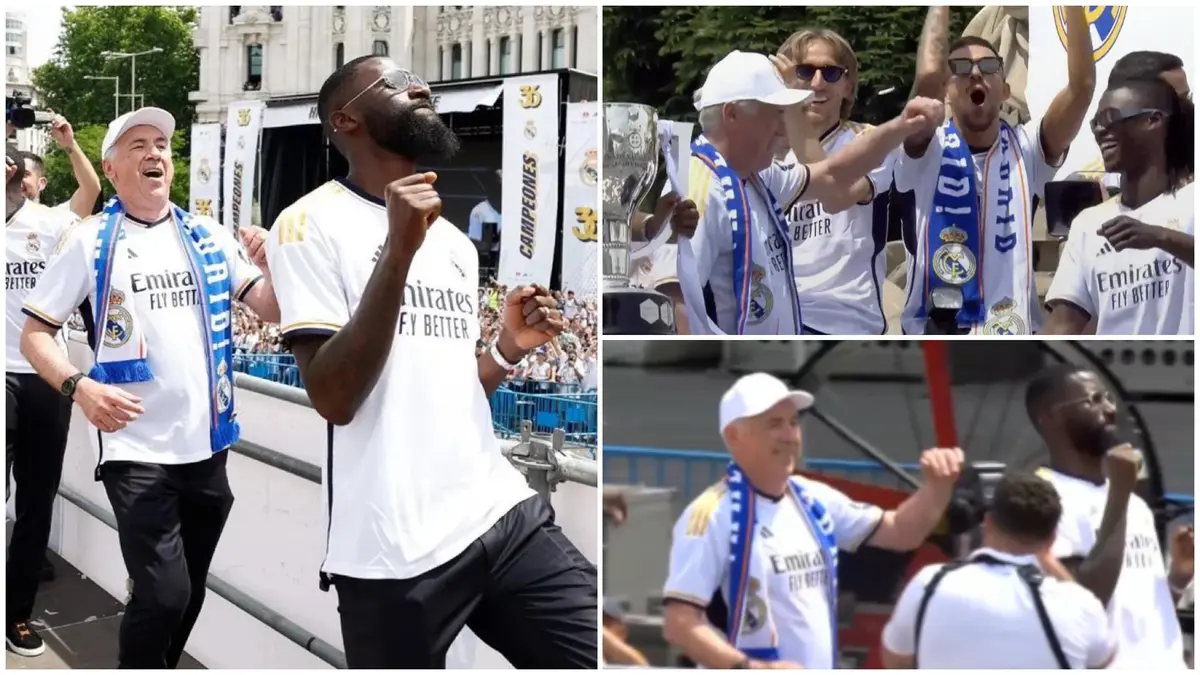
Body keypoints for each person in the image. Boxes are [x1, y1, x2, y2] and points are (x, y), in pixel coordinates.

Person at [265, 55, 596, 669]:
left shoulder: (454, 242)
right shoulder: (306, 224)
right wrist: (398, 250)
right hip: (394, 550)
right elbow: (334, 397)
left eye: (417, 78)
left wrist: (506, 349)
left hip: (497, 510)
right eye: (393, 83)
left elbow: (446, 389)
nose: (420, 85)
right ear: (346, 120)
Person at [19, 107, 279, 668]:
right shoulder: (87, 241)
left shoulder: (208, 236)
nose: (154, 152)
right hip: (135, 450)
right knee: (164, 594)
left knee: (189, 590)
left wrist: (273, 260)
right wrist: (79, 387)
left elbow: (272, 306)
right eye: (136, 145)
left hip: (209, 447)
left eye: (160, 143)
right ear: (111, 170)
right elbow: (35, 335)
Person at [661, 372, 964, 668]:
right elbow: (679, 623)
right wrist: (752, 668)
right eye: (774, 424)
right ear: (733, 436)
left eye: (793, 423)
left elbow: (901, 532)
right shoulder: (710, 516)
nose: (790, 435)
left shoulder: (814, 499)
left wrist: (937, 487)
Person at [675, 50, 945, 335]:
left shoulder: (758, 176)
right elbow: (673, 299)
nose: (784, 128)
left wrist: (904, 125)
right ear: (732, 114)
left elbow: (831, 174)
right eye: (777, 113)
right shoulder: (698, 184)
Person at [895, 6, 1095, 335]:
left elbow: (1082, 86)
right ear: (946, 89)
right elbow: (928, 77)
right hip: (933, 338)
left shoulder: (1027, 149)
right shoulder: (924, 150)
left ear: (1005, 90)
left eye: (988, 66)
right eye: (960, 67)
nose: (975, 73)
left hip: (1011, 338)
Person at [1026, 364, 1190, 668]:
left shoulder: (1134, 505)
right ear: (1051, 418)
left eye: (1109, 398)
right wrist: (1120, 495)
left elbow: (1133, 610)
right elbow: (1084, 603)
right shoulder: (1042, 499)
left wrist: (1178, 579)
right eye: (1094, 400)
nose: (1110, 409)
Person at [880, 472, 1118, 668]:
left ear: (989, 523)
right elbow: (1103, 659)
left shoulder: (929, 584)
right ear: (1052, 537)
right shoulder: (1078, 605)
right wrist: (1047, 559)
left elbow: (895, 661)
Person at [1042, 77, 1194, 335]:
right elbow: (1063, 326)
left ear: (1153, 121)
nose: (1100, 130)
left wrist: (1160, 237)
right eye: (1096, 123)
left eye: (1111, 118)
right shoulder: (1088, 224)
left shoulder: (1192, 201)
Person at [775, 28, 901, 335]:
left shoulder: (872, 141)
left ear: (848, 86)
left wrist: (792, 109)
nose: (817, 83)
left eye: (830, 72)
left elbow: (833, 196)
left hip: (844, 316)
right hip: (776, 312)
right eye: (804, 71)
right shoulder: (765, 151)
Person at [4, 143, 78, 657]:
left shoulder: (49, 222)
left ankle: (17, 614)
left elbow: (91, 195)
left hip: (48, 375)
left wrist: (71, 146)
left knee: (37, 501)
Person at [19, 111, 102, 219]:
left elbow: (91, 188)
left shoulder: (56, 219)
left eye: (24, 174)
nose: (16, 180)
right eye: (10, 174)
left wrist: (69, 144)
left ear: (42, 183)